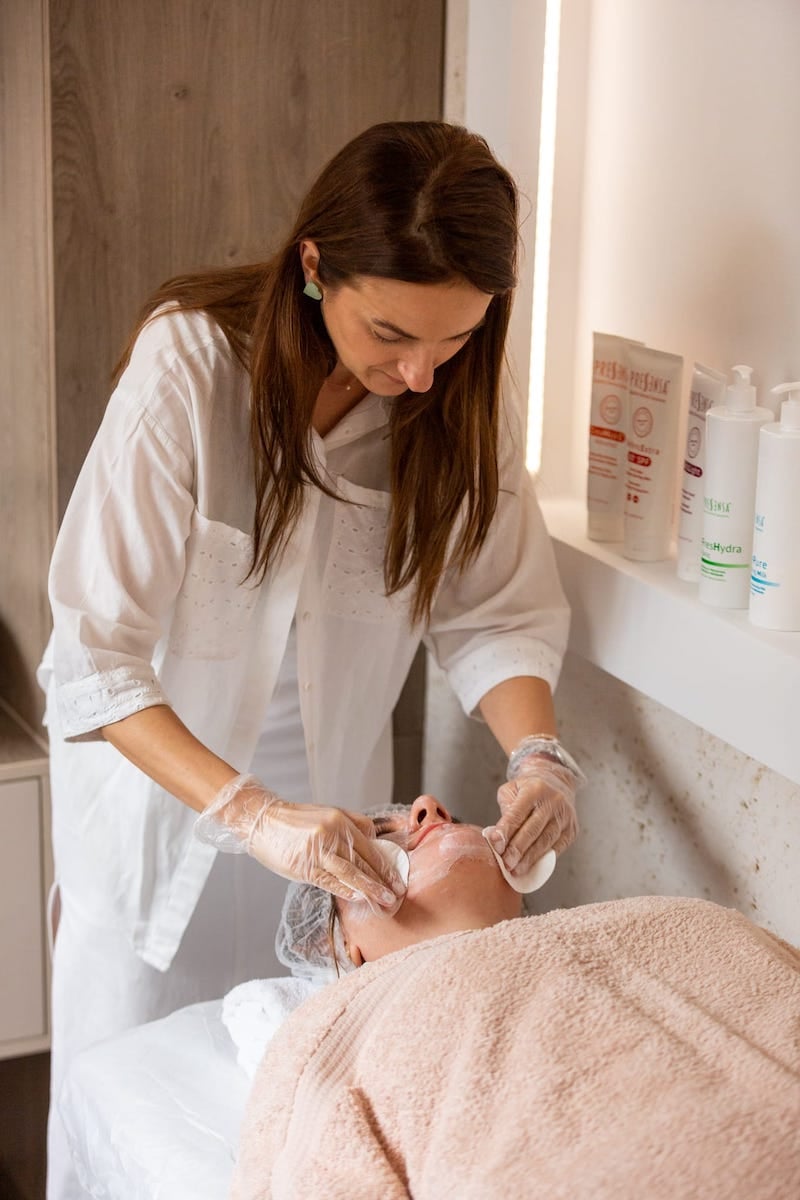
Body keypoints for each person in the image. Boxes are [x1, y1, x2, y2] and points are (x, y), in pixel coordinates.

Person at [38, 120, 583, 1198]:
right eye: (390, 333)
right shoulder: (192, 370)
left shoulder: (455, 399)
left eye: (455, 340)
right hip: (164, 804)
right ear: (314, 265)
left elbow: (496, 612)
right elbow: (95, 657)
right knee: (131, 1103)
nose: (419, 374)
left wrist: (539, 757)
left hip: (341, 839)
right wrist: (247, 811)